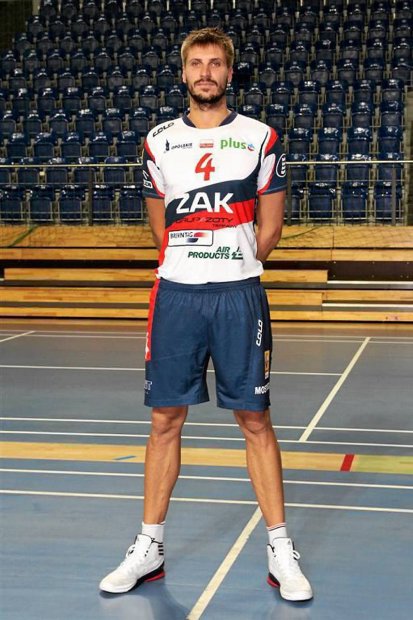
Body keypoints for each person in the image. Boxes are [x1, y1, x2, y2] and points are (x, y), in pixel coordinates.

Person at [99, 27, 313, 603]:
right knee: (164, 420)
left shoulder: (262, 138)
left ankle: (280, 549)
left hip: (239, 295)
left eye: (216, 63)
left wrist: (233, 262)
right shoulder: (158, 141)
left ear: (229, 73)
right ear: (184, 73)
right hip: (177, 297)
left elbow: (272, 227)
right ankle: (149, 546)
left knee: (255, 420)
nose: (206, 72)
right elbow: (160, 228)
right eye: (197, 63)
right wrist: (191, 263)